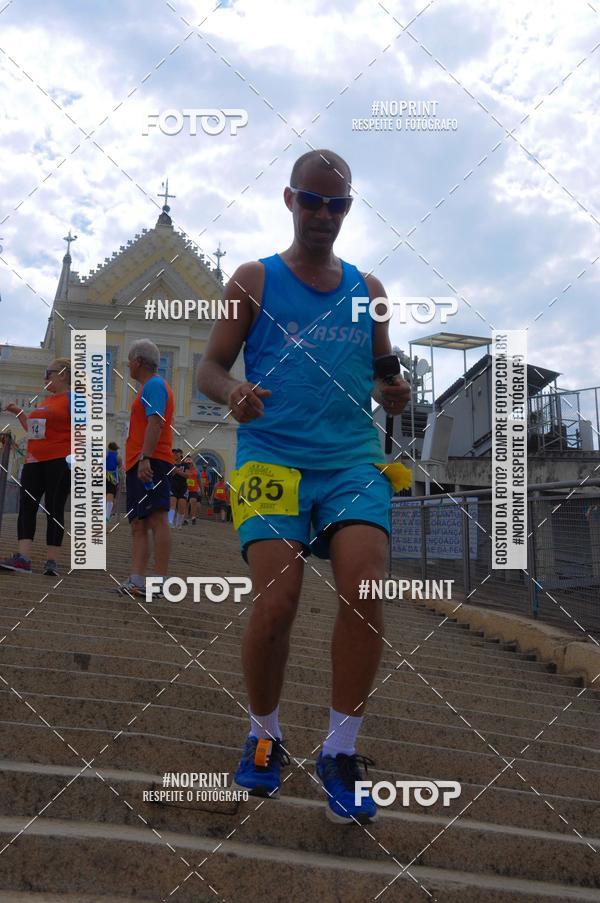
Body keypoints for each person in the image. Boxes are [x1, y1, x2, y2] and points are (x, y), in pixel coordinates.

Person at [197, 149, 410, 824]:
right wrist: (232, 391)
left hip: (351, 459)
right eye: (311, 201)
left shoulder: (369, 289)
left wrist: (395, 391)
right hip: (272, 457)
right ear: (290, 200)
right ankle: (264, 733)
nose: (323, 214)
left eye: (336, 204)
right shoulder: (253, 279)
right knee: (277, 600)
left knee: (365, 589)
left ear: (348, 208)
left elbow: (385, 373)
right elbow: (209, 367)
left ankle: (339, 752)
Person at [0, 358, 72, 576]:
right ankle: (23, 558)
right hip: (34, 460)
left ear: (63, 374)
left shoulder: (74, 399)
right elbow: (34, 431)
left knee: (54, 507)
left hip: (60, 460)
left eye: (48, 373)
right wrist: (18, 412)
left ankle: (52, 561)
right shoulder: (46, 402)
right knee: (27, 506)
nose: (44, 378)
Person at [117, 339, 175, 599]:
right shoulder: (148, 387)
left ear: (138, 361)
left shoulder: (154, 385)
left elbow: (156, 422)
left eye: (129, 360)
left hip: (152, 461)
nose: (128, 365)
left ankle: (160, 582)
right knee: (139, 523)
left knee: (157, 518)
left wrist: (145, 458)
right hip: (140, 461)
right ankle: (136, 579)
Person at [168, 448, 188, 529]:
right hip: (173, 486)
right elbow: (169, 475)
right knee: (172, 504)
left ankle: (179, 524)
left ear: (181, 454)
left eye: (177, 453)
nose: (175, 454)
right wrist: (175, 471)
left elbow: (187, 475)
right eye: (174, 453)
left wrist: (177, 471)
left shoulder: (185, 465)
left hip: (183, 487)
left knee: (182, 506)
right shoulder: (171, 464)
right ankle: (170, 522)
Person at [105, 441, 122, 522]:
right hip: (113, 477)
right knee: (111, 496)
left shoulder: (106, 454)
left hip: (104, 475)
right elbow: (119, 467)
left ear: (109, 448)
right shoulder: (118, 456)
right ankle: (108, 515)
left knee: (106, 495)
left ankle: (107, 514)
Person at [184, 457, 200, 525]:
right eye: (187, 463)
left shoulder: (196, 471)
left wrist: (202, 490)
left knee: (193, 502)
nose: (188, 464)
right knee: (186, 504)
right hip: (185, 489)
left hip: (194, 490)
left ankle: (193, 517)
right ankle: (186, 519)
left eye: (190, 463)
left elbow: (199, 480)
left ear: (192, 463)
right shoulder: (184, 470)